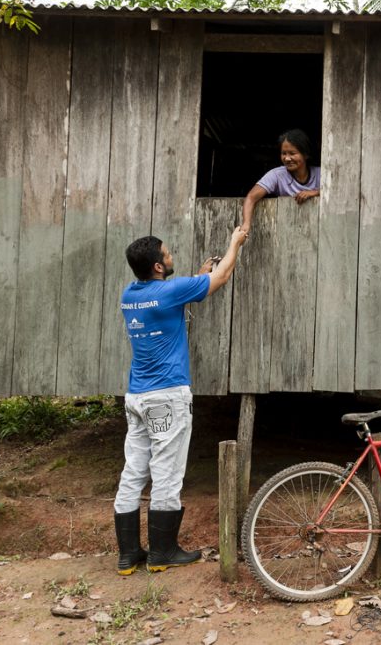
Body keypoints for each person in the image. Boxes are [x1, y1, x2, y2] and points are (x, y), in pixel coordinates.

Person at [113, 226, 247, 575]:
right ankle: (163, 552)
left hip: (137, 397)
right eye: (168, 253)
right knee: (167, 473)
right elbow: (223, 275)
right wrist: (234, 243)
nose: (171, 256)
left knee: (133, 473)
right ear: (158, 266)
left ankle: (128, 556)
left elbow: (172, 296)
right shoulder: (171, 290)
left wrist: (196, 277)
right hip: (167, 396)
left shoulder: (130, 294)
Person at [241, 128, 320, 235]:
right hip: (286, 230)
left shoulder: (321, 174)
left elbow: (339, 194)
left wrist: (315, 192)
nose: (287, 158)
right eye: (284, 153)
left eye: (292, 153)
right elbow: (251, 197)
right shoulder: (277, 175)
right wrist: (246, 224)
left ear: (306, 155)